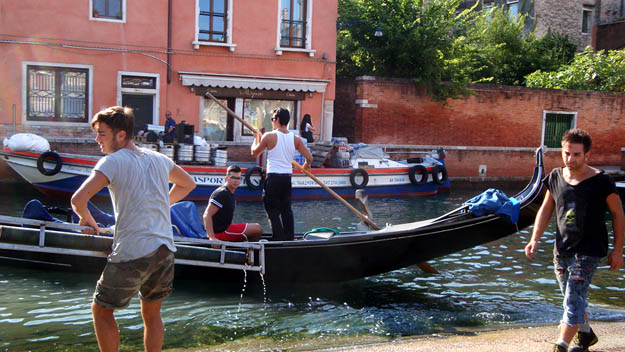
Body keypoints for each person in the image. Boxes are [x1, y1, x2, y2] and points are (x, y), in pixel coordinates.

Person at [71, 106, 196, 352]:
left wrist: (87, 220)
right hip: (164, 250)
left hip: (134, 250)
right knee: (152, 313)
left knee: (102, 310)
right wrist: (158, 204)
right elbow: (188, 184)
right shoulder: (159, 158)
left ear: (120, 135)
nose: (97, 140)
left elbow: (78, 200)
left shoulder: (112, 161)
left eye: (102, 134)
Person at [524, 128, 624, 352]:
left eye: (576, 154)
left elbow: (618, 214)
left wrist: (618, 251)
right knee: (573, 297)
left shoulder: (602, 181)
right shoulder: (555, 177)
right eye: (567, 153)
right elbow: (545, 210)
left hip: (589, 250)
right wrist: (534, 239)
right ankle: (586, 334)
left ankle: (562, 345)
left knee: (573, 298)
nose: (570, 158)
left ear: (587, 155)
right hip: (562, 249)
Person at [251, 108, 313, 241]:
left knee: (272, 209)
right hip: (286, 178)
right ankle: (289, 237)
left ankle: (278, 238)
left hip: (273, 178)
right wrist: (306, 166)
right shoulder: (295, 139)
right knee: (286, 209)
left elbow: (254, 153)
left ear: (278, 120)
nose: (272, 122)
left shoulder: (269, 136)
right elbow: (310, 157)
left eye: (273, 119)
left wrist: (256, 138)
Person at [203, 165, 263, 242]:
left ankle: (246, 249)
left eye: (238, 178)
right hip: (221, 233)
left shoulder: (229, 192)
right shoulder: (222, 193)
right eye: (233, 178)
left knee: (251, 229)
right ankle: (253, 252)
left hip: (225, 228)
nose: (236, 181)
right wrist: (212, 237)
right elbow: (206, 215)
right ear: (227, 178)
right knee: (257, 229)